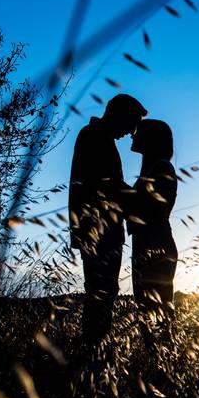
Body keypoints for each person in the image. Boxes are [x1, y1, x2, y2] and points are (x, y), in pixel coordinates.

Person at [68, 94, 148, 352]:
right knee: (101, 295)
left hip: (100, 231)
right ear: (119, 114)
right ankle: (94, 354)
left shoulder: (96, 137)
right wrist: (140, 199)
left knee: (103, 293)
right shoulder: (94, 136)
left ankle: (96, 353)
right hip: (98, 232)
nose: (131, 131)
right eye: (132, 123)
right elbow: (106, 186)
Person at [127, 119, 178, 347]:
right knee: (149, 310)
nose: (132, 136)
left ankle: (164, 367)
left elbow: (150, 208)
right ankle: (159, 365)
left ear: (152, 139)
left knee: (155, 310)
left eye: (138, 132)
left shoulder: (161, 168)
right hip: (149, 242)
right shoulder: (156, 167)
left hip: (154, 244)